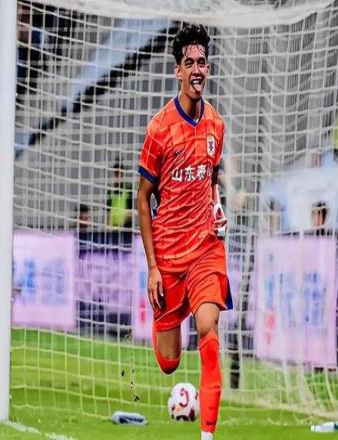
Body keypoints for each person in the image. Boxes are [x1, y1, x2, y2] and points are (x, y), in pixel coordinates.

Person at [137, 24, 232, 440]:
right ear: (177, 71)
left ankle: (207, 435)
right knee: (170, 363)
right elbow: (143, 199)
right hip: (168, 258)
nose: (197, 69)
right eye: (189, 63)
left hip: (205, 249)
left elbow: (212, 177)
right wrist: (152, 268)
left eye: (202, 62)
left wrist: (216, 203)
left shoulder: (216, 124)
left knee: (209, 328)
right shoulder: (159, 128)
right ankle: (172, 334)